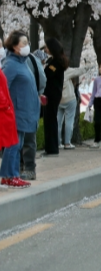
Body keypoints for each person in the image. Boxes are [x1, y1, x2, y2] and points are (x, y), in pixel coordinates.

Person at [1, 31, 37, 188]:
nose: (27, 46)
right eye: (24, 43)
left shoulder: (23, 63)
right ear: (15, 46)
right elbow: (3, 87)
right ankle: (9, 175)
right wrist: (8, 106)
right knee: (13, 145)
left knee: (17, 144)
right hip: (16, 112)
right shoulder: (10, 65)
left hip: (24, 111)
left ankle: (10, 175)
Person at [42, 38, 67, 156]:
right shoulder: (53, 60)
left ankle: (52, 148)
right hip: (51, 94)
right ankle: (50, 147)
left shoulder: (56, 62)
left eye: (47, 47)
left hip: (52, 94)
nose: (45, 49)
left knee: (50, 120)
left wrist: (43, 66)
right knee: (49, 120)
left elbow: (47, 75)